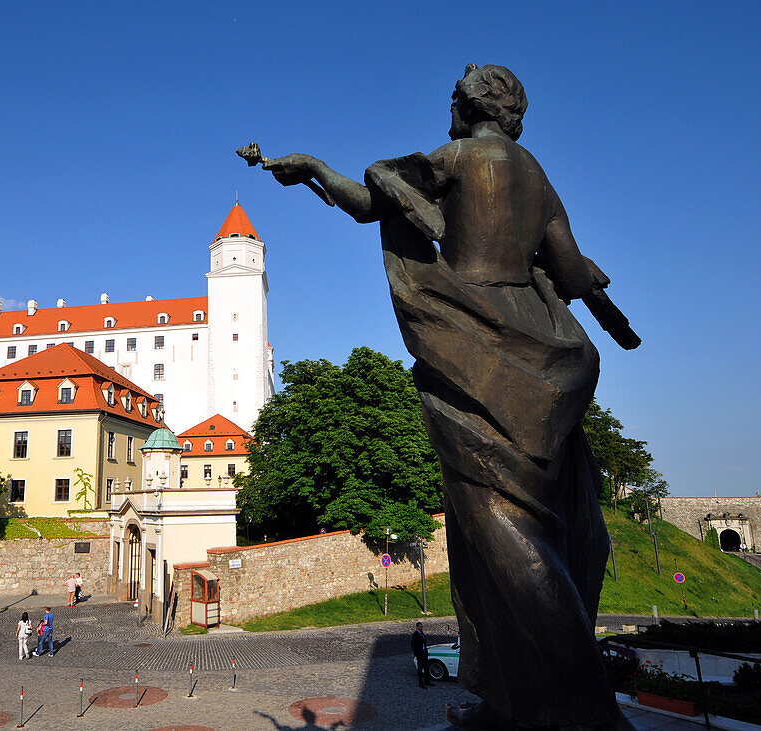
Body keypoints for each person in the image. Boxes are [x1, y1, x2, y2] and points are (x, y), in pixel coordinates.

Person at [257, 65, 636, 730]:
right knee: (502, 530)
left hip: (473, 342)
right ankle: (508, 700)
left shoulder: (459, 156)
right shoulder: (535, 172)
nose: (447, 114)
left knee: (500, 529)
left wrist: (317, 168)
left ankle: (590, 711)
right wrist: (581, 271)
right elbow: (571, 272)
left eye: (452, 102)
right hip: (540, 346)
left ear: (468, 106)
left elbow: (374, 198)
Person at [411, 621, 432, 688]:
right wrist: (416, 654)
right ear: (417, 627)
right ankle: (421, 683)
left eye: (422, 626)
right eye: (420, 626)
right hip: (420, 653)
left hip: (424, 652)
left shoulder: (422, 634)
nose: (421, 627)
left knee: (426, 667)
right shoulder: (415, 635)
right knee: (420, 668)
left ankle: (427, 681)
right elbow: (413, 645)